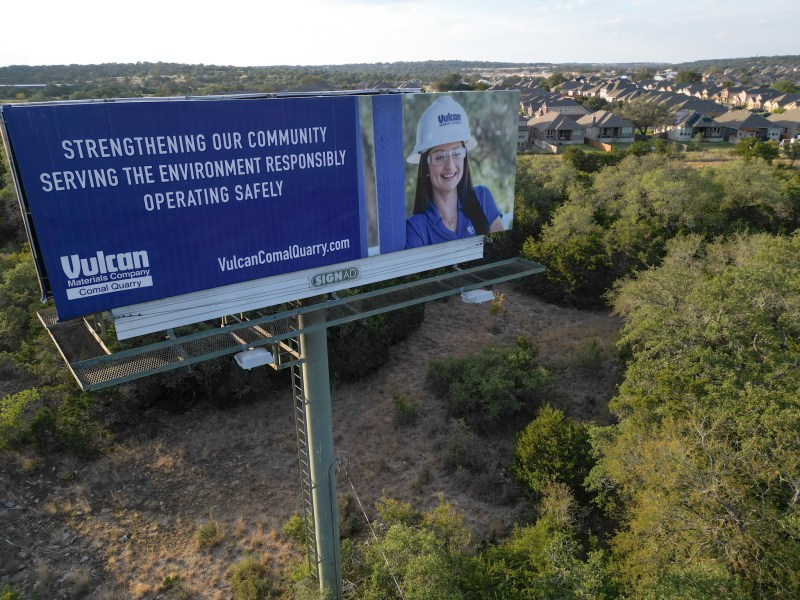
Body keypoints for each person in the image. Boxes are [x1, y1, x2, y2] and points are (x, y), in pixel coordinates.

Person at [405, 95, 504, 249]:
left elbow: (501, 249)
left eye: (457, 153)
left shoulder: (482, 198)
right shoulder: (416, 228)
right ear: (426, 166)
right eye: (440, 157)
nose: (450, 166)